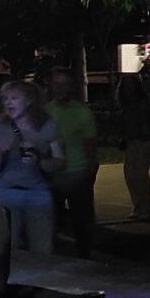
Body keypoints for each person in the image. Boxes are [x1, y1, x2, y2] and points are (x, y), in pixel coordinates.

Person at [0, 79, 64, 254]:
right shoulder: (0, 126)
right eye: (5, 98)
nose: (9, 103)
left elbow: (59, 161)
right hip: (6, 193)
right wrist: (2, 151)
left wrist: (39, 161)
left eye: (14, 98)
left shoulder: (47, 125)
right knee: (7, 250)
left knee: (42, 249)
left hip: (38, 194)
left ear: (29, 101)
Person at [44, 67, 99, 258]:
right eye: (57, 84)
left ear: (72, 87)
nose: (60, 88)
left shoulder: (82, 112)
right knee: (52, 222)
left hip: (77, 174)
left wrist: (89, 174)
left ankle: (85, 257)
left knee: (81, 222)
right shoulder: (45, 112)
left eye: (65, 84)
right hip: (53, 176)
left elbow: (90, 147)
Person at [117, 73, 150, 221]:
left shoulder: (145, 103)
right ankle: (137, 205)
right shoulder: (124, 104)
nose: (129, 88)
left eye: (131, 85)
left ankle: (146, 207)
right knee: (130, 174)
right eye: (126, 85)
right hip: (131, 140)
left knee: (141, 174)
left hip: (144, 139)